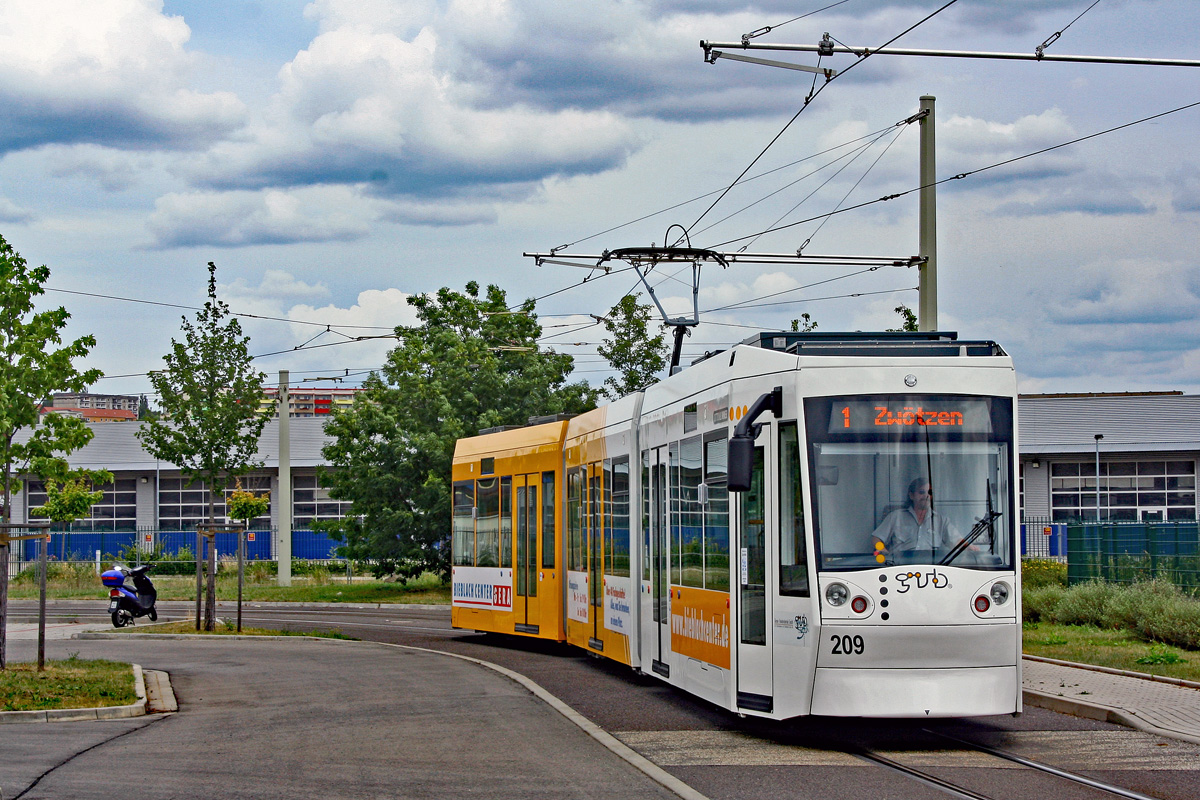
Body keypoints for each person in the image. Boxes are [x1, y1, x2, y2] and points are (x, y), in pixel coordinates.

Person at [870, 478, 960, 558]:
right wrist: (883, 551)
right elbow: (876, 538)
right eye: (921, 492)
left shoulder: (941, 520)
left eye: (929, 493)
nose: (926, 496)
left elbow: (957, 541)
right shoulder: (896, 516)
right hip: (900, 568)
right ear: (911, 495)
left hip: (931, 568)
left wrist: (970, 547)